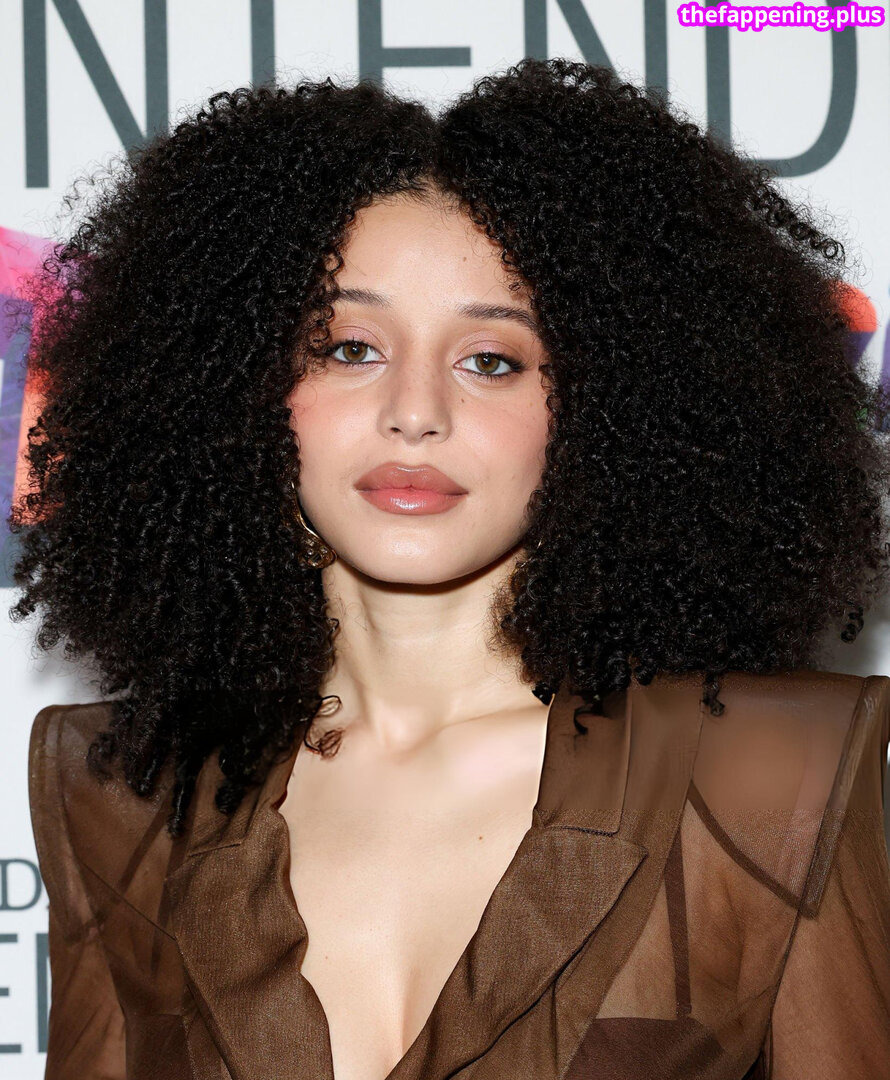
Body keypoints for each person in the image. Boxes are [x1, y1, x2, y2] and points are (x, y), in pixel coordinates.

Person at [12, 57, 890, 1080]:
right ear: (235, 380)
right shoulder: (124, 789)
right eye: (348, 347)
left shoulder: (771, 777)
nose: (415, 412)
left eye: (492, 360)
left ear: (612, 405)